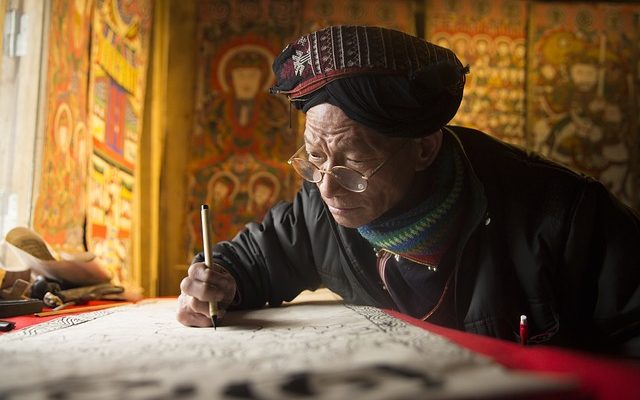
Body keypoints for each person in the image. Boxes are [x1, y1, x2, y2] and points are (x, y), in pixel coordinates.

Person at [177, 25, 640, 357]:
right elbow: (250, 261)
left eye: (354, 161)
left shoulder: (564, 217)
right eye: (314, 155)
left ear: (424, 147)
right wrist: (214, 282)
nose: (327, 183)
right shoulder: (321, 209)